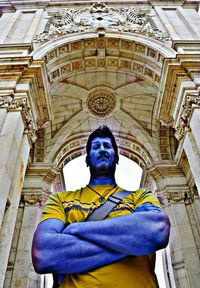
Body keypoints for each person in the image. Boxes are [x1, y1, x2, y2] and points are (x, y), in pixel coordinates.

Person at [32, 125, 170, 288]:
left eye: (107, 146)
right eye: (96, 147)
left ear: (117, 157)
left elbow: (158, 231)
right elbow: (43, 254)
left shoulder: (140, 196)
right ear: (87, 159)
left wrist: (76, 229)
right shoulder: (60, 199)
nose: (102, 150)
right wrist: (132, 242)